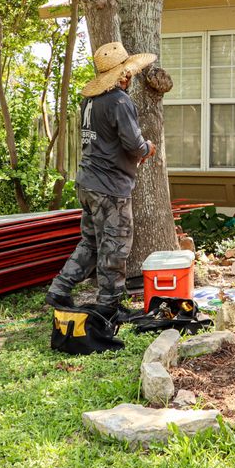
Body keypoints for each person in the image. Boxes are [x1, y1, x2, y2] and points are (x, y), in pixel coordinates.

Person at [46, 42, 157, 319]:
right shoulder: (119, 101)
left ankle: (60, 288)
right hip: (110, 187)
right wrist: (147, 148)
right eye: (128, 72)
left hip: (87, 182)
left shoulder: (90, 101)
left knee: (92, 244)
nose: (129, 76)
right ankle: (109, 305)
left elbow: (105, 138)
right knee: (116, 245)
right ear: (123, 74)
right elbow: (133, 144)